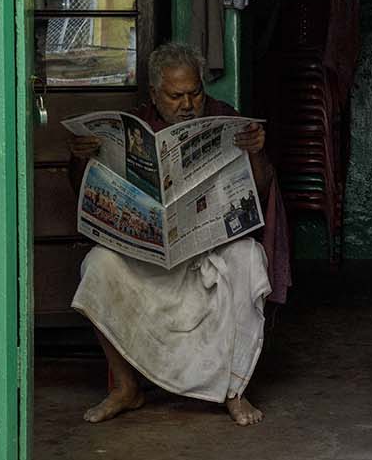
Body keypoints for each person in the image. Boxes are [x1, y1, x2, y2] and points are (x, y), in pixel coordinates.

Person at [67, 42, 284, 426]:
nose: (187, 104)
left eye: (195, 93)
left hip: (206, 256)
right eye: (175, 96)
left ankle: (233, 390)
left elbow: (262, 190)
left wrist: (256, 152)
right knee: (97, 264)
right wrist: (83, 156)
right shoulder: (135, 126)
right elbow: (85, 193)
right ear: (155, 94)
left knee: (249, 257)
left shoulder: (225, 119)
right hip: (153, 261)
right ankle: (125, 388)